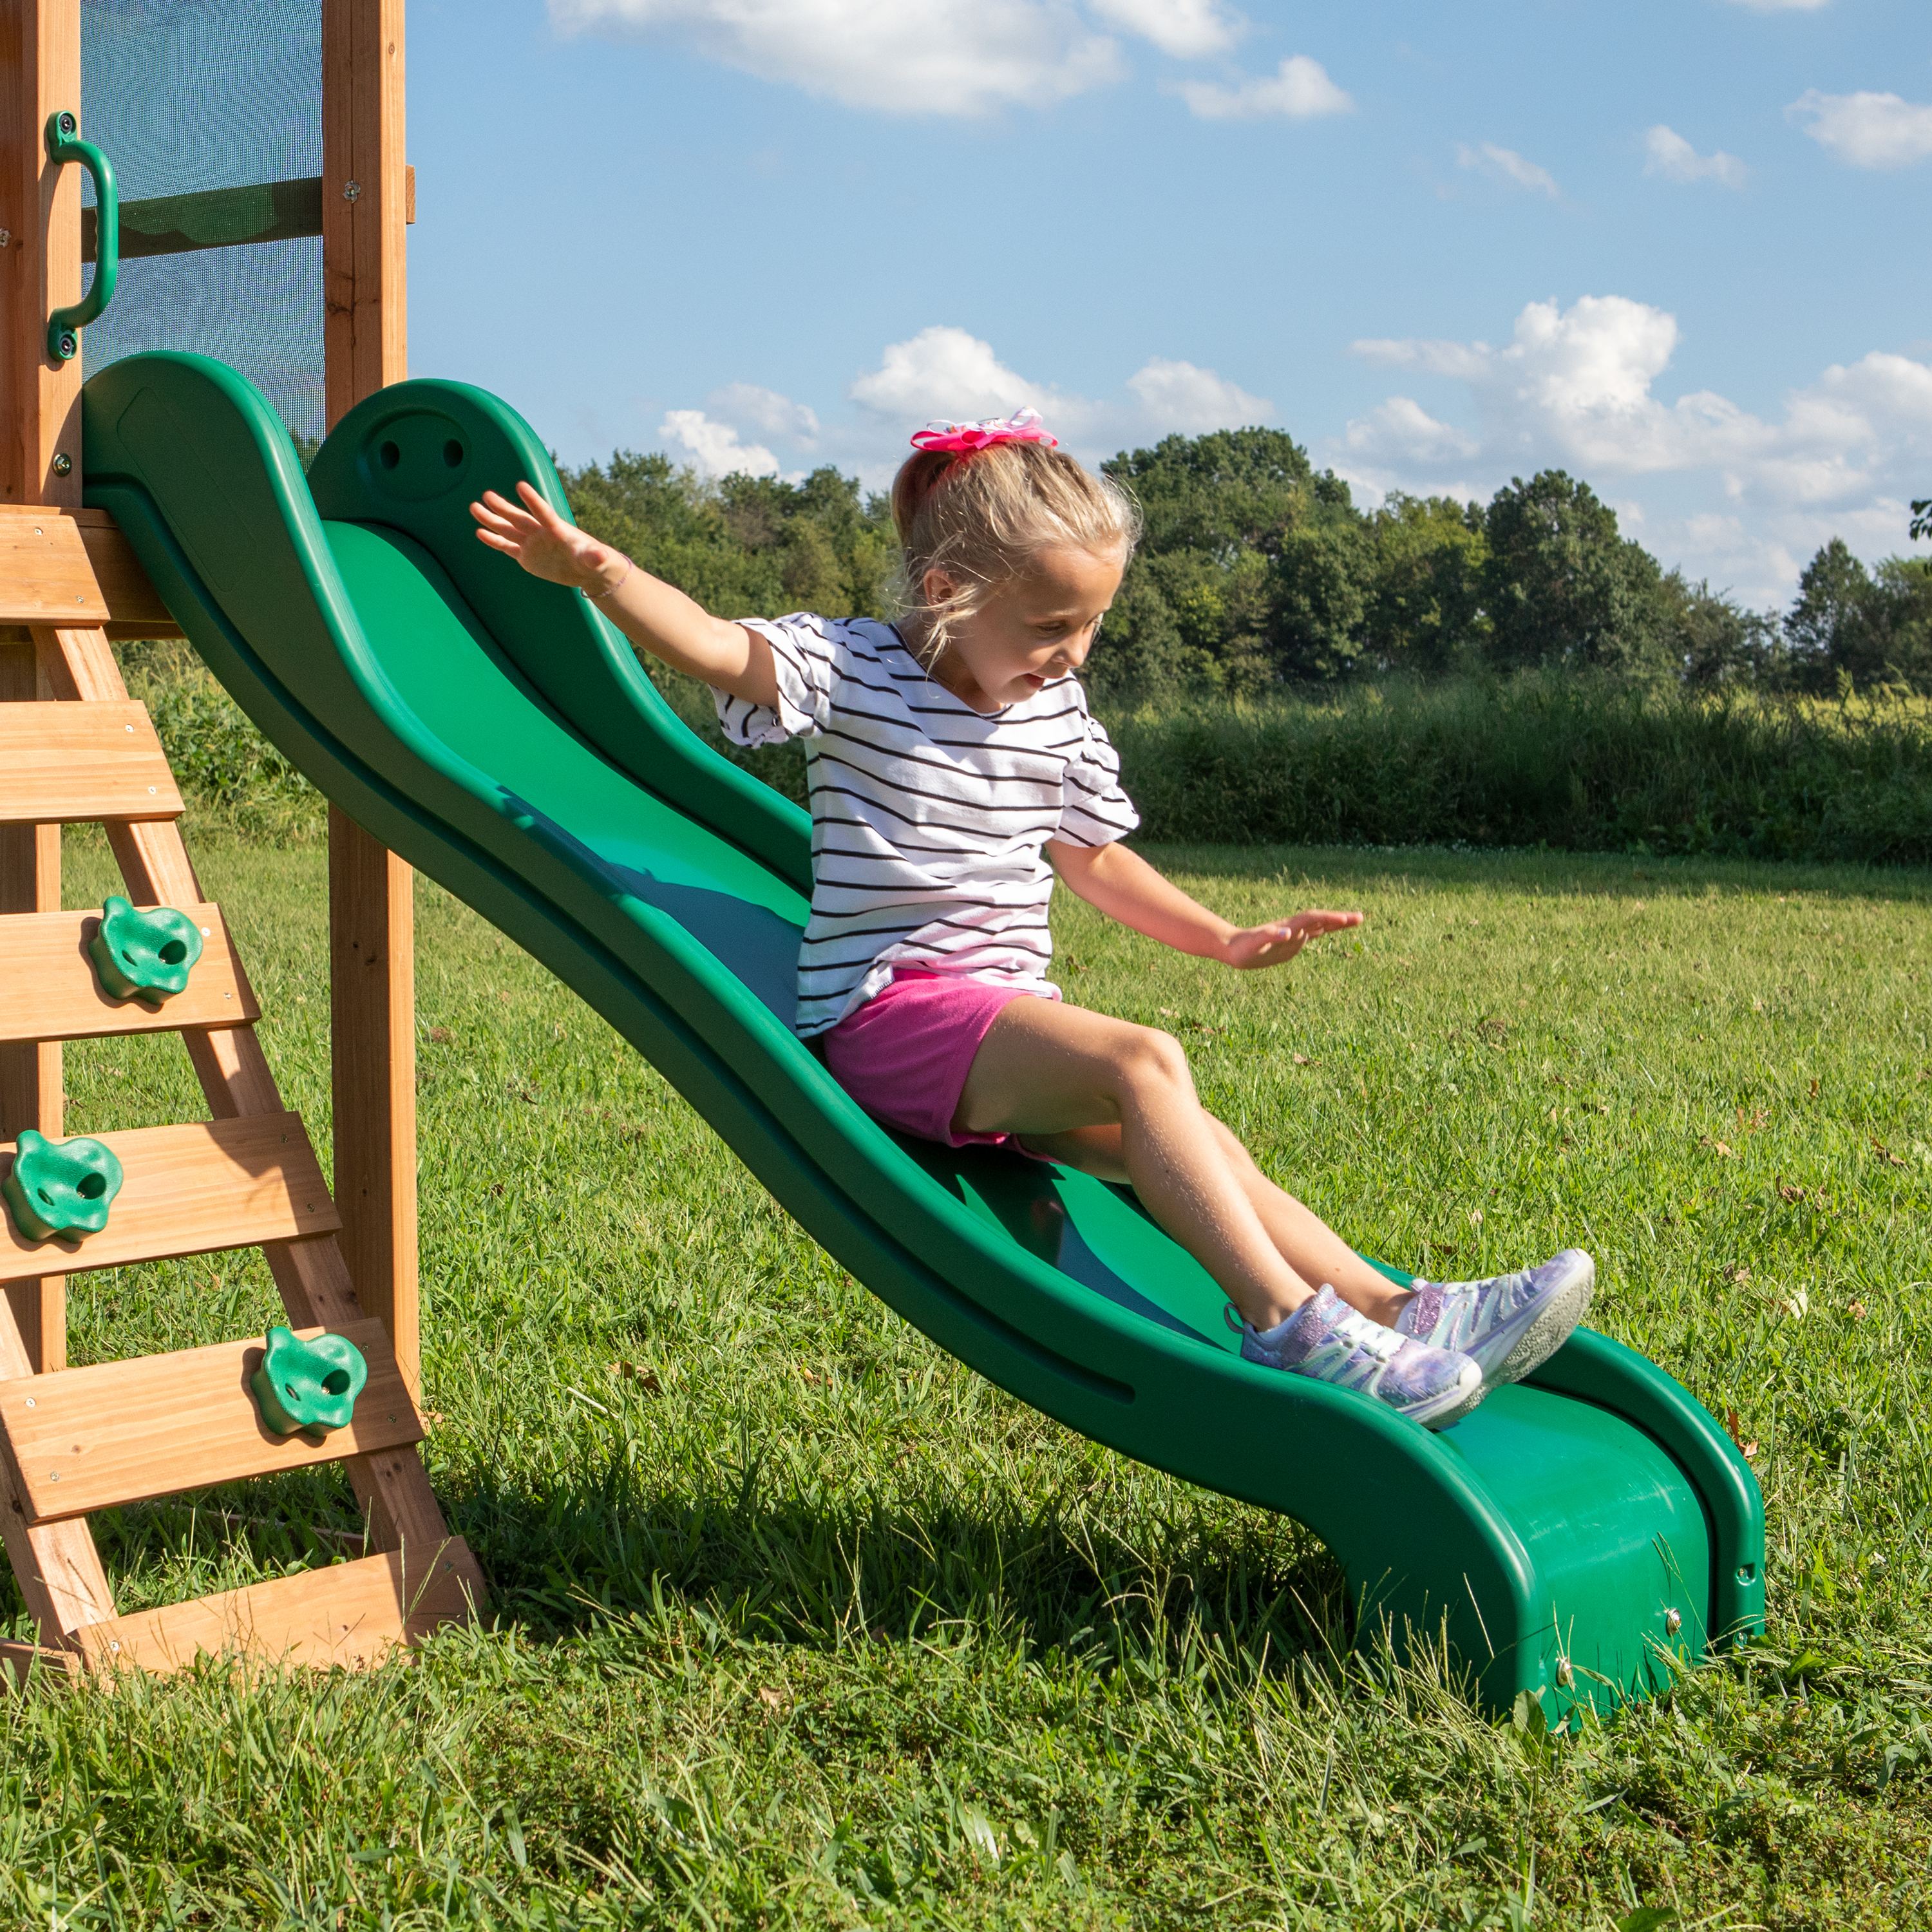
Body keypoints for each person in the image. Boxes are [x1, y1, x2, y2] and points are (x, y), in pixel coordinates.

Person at [470, 410, 1592, 1428]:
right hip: (887, 1021)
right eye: (1053, 623)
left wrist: (1222, 935)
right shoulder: (856, 669)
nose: (1075, 652)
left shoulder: (1055, 711)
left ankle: (1400, 1311)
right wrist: (603, 575)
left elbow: (1095, 859)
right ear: (952, 589)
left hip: (1004, 1032)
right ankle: (1289, 1327)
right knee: (1146, 1061)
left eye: (1092, 623)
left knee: (1200, 1145)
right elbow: (717, 646)